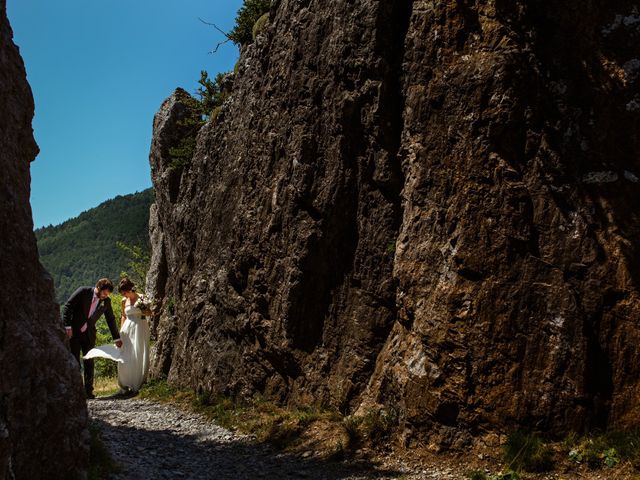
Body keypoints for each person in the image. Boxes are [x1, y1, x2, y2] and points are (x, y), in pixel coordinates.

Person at [85, 277, 151, 395]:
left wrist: (144, 309)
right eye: (122, 293)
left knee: (138, 352)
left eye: (125, 292)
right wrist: (121, 331)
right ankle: (124, 384)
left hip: (140, 327)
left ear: (130, 289)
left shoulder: (142, 298)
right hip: (127, 328)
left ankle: (137, 383)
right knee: (125, 355)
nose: (124, 295)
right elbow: (123, 316)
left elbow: (150, 313)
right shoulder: (123, 301)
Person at [63, 278, 122, 399]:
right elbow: (68, 307)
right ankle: (76, 391)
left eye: (108, 294)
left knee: (89, 362)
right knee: (75, 362)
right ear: (99, 288)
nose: (106, 296)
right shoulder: (83, 291)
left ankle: (88, 392)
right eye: (105, 293)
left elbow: (110, 319)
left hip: (89, 335)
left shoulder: (106, 301)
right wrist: (67, 326)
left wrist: (116, 338)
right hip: (74, 333)